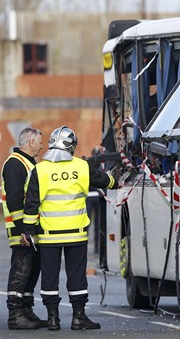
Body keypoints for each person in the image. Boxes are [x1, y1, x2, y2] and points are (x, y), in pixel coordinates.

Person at [22, 126, 118, 331]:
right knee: (77, 276)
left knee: (49, 277)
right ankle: (78, 317)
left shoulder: (40, 169)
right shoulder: (82, 166)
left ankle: (53, 319)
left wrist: (28, 231)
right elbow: (105, 180)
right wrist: (116, 180)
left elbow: (31, 204)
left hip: (48, 236)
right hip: (76, 234)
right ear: (72, 146)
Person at [2, 127, 46, 330]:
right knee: (21, 269)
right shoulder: (14, 164)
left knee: (31, 270)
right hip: (21, 231)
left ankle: (26, 311)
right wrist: (24, 230)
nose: (42, 145)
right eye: (39, 141)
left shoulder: (28, 163)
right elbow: (14, 199)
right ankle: (15, 314)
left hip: (28, 230)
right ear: (30, 141)